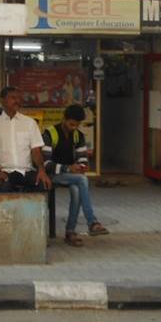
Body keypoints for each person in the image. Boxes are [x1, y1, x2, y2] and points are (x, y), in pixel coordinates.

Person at [42, 104, 108, 247]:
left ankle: (70, 231)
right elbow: (45, 163)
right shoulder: (49, 133)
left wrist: (82, 166)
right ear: (64, 119)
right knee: (82, 180)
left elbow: (83, 158)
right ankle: (91, 222)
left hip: (72, 176)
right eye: (71, 124)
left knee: (77, 189)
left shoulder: (79, 136)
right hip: (53, 175)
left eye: (77, 125)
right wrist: (68, 168)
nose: (73, 128)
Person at [0, 86, 52, 193]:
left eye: (18, 98)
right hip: (5, 171)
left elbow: (36, 151)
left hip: (26, 171)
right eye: (13, 98)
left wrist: (41, 170)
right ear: (2, 101)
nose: (17, 101)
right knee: (3, 187)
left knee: (44, 184)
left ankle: (41, 211)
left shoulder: (30, 123)